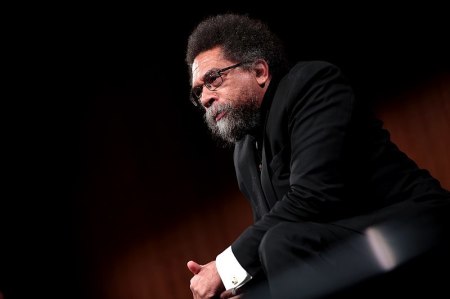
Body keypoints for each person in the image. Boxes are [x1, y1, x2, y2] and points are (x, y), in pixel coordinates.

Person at [184, 13, 450, 299]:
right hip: (351, 250)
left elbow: (313, 196)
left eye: (213, 79)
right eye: (198, 91)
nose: (205, 98)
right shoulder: (243, 153)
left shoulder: (311, 85)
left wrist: (223, 268)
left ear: (260, 71)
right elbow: (277, 234)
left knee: (280, 243)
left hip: (416, 231)